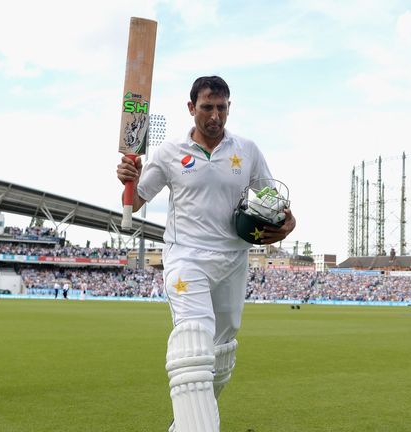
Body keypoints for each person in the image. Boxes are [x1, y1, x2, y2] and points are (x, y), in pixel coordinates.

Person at [116, 75, 295, 432]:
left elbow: (271, 202)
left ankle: (183, 426)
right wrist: (128, 178)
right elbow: (136, 201)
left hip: (233, 260)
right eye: (207, 107)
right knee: (194, 342)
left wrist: (287, 222)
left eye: (221, 108)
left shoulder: (247, 150)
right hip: (187, 258)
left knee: (222, 350)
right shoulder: (169, 152)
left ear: (229, 108)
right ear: (191, 108)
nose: (214, 116)